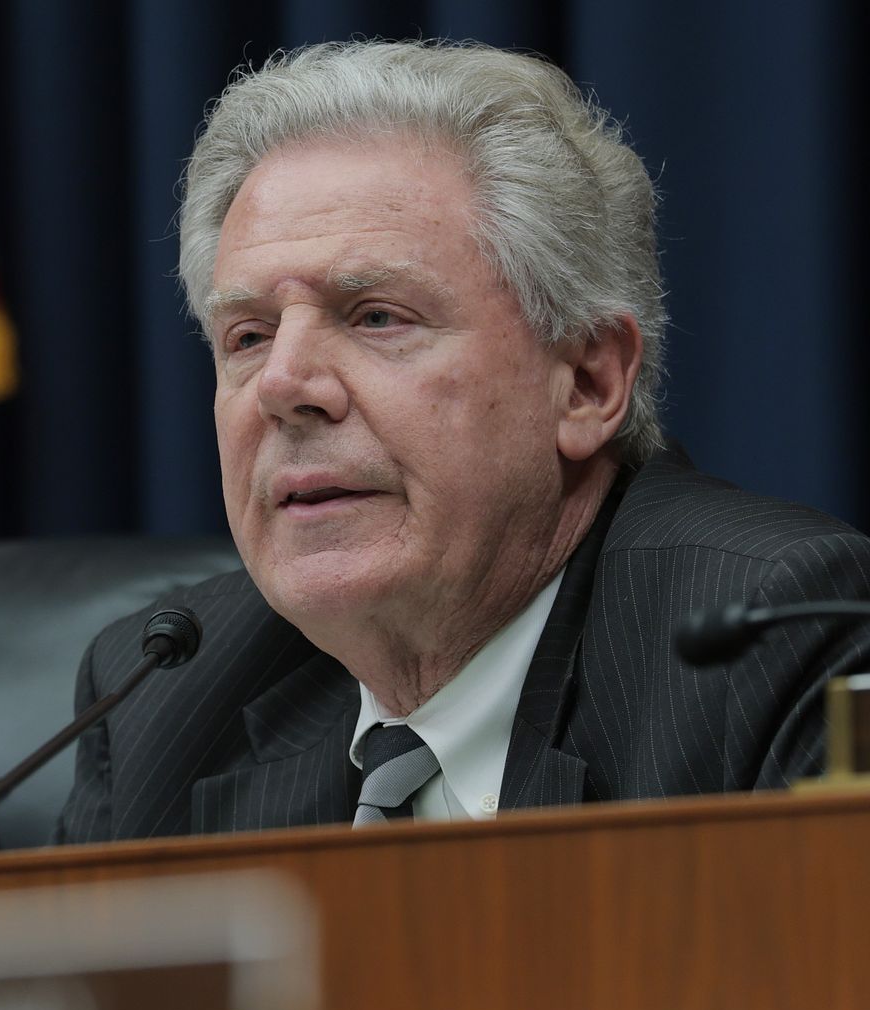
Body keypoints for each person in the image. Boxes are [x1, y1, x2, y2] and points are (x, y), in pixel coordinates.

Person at [57, 40, 870, 842]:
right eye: (248, 336)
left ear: (586, 384)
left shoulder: (780, 645)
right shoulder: (162, 696)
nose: (283, 385)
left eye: (377, 317)